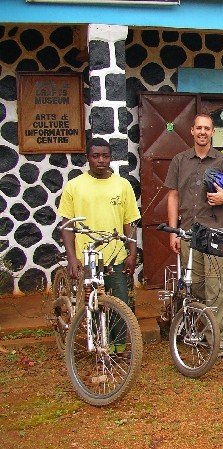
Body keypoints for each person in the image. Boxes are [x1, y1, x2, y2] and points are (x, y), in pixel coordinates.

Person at [164, 114, 223, 358]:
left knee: (217, 288)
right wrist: (173, 231)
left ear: (213, 132)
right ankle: (201, 326)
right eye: (198, 127)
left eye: (207, 128)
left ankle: (217, 341)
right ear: (192, 131)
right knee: (195, 286)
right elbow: (173, 196)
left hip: (216, 232)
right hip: (189, 231)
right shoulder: (179, 160)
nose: (202, 132)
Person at [58, 137, 140, 354]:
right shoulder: (74, 186)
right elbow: (66, 224)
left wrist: (132, 253)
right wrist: (72, 257)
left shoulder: (123, 185)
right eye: (96, 156)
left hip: (116, 256)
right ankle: (99, 345)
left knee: (120, 302)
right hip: (87, 257)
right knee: (91, 304)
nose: (101, 160)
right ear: (88, 158)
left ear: (111, 158)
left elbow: (129, 222)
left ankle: (119, 347)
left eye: (105, 156)